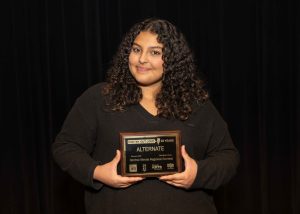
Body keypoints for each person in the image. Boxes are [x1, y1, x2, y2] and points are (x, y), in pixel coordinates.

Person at [52, 18, 239, 214]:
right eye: (136, 49)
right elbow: (65, 146)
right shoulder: (99, 99)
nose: (142, 59)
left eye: (155, 52)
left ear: (173, 59)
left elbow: (228, 156)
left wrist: (198, 174)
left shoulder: (196, 105)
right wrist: (97, 172)